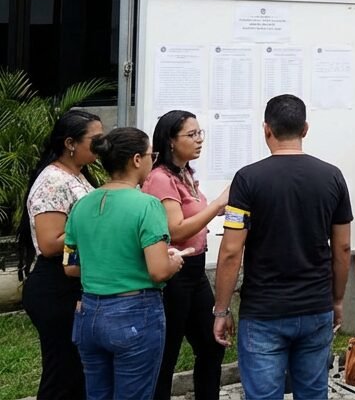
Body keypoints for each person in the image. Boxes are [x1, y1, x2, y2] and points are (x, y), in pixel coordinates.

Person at [213, 95, 353, 400]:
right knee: (314, 393)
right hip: (316, 305)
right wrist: (337, 299)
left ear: (266, 129)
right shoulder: (332, 177)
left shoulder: (247, 180)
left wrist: (221, 309)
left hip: (263, 310)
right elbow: (342, 248)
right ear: (305, 129)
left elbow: (231, 252)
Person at [65, 126, 185, 400]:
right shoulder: (147, 205)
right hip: (134, 313)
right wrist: (174, 262)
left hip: (89, 313)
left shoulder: (82, 205)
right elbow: (157, 271)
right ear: (136, 160)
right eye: (150, 155)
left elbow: (70, 266)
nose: (152, 160)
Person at [145, 111, 231, 400]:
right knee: (167, 353)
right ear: (171, 141)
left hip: (195, 270)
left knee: (211, 343)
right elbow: (177, 229)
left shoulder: (186, 173)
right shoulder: (160, 178)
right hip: (174, 271)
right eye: (191, 135)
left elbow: (196, 216)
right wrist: (218, 203)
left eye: (200, 133)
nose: (199, 140)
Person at [17, 110, 102, 400]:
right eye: (96, 139)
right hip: (55, 285)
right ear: (70, 143)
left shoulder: (77, 175)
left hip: (74, 281)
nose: (102, 145)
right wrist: (97, 226)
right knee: (61, 374)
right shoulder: (53, 181)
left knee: (77, 373)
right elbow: (50, 242)